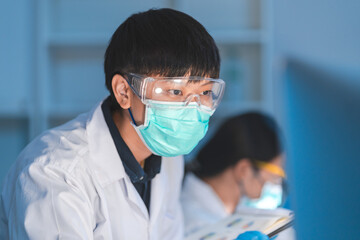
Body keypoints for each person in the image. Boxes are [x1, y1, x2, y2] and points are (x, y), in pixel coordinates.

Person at [0, 8, 268, 240]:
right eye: (176, 92)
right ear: (124, 92)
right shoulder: (55, 173)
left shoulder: (165, 154)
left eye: (206, 92)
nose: (193, 107)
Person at [181, 112, 292, 239]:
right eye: (274, 177)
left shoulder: (228, 212)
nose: (276, 185)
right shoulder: (193, 222)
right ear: (243, 170)